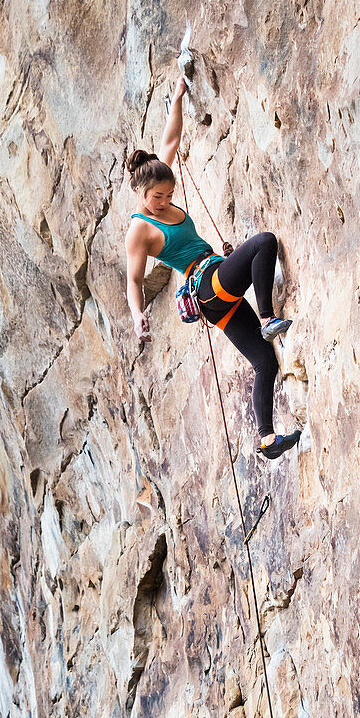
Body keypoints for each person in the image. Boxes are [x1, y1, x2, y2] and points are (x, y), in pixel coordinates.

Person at [124, 77, 301, 460]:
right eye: (158, 197)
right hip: (205, 283)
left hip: (216, 296)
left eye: (169, 195)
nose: (165, 201)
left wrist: (176, 97)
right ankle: (268, 317)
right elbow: (134, 279)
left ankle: (268, 439)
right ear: (140, 194)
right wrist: (137, 314)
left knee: (264, 361)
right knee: (263, 243)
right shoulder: (140, 228)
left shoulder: (157, 177)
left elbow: (170, 141)